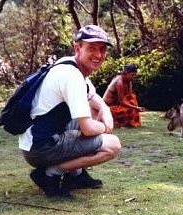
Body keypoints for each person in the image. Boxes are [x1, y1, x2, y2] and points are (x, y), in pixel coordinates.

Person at [19, 24, 121, 198]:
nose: (98, 55)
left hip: (35, 141)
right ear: (77, 47)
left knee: (93, 109)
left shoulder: (67, 64)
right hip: (40, 148)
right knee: (112, 145)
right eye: (92, 48)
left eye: (102, 49)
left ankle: (76, 175)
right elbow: (88, 128)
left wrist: (104, 108)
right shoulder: (71, 76)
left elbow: (93, 97)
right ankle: (49, 174)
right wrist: (105, 126)